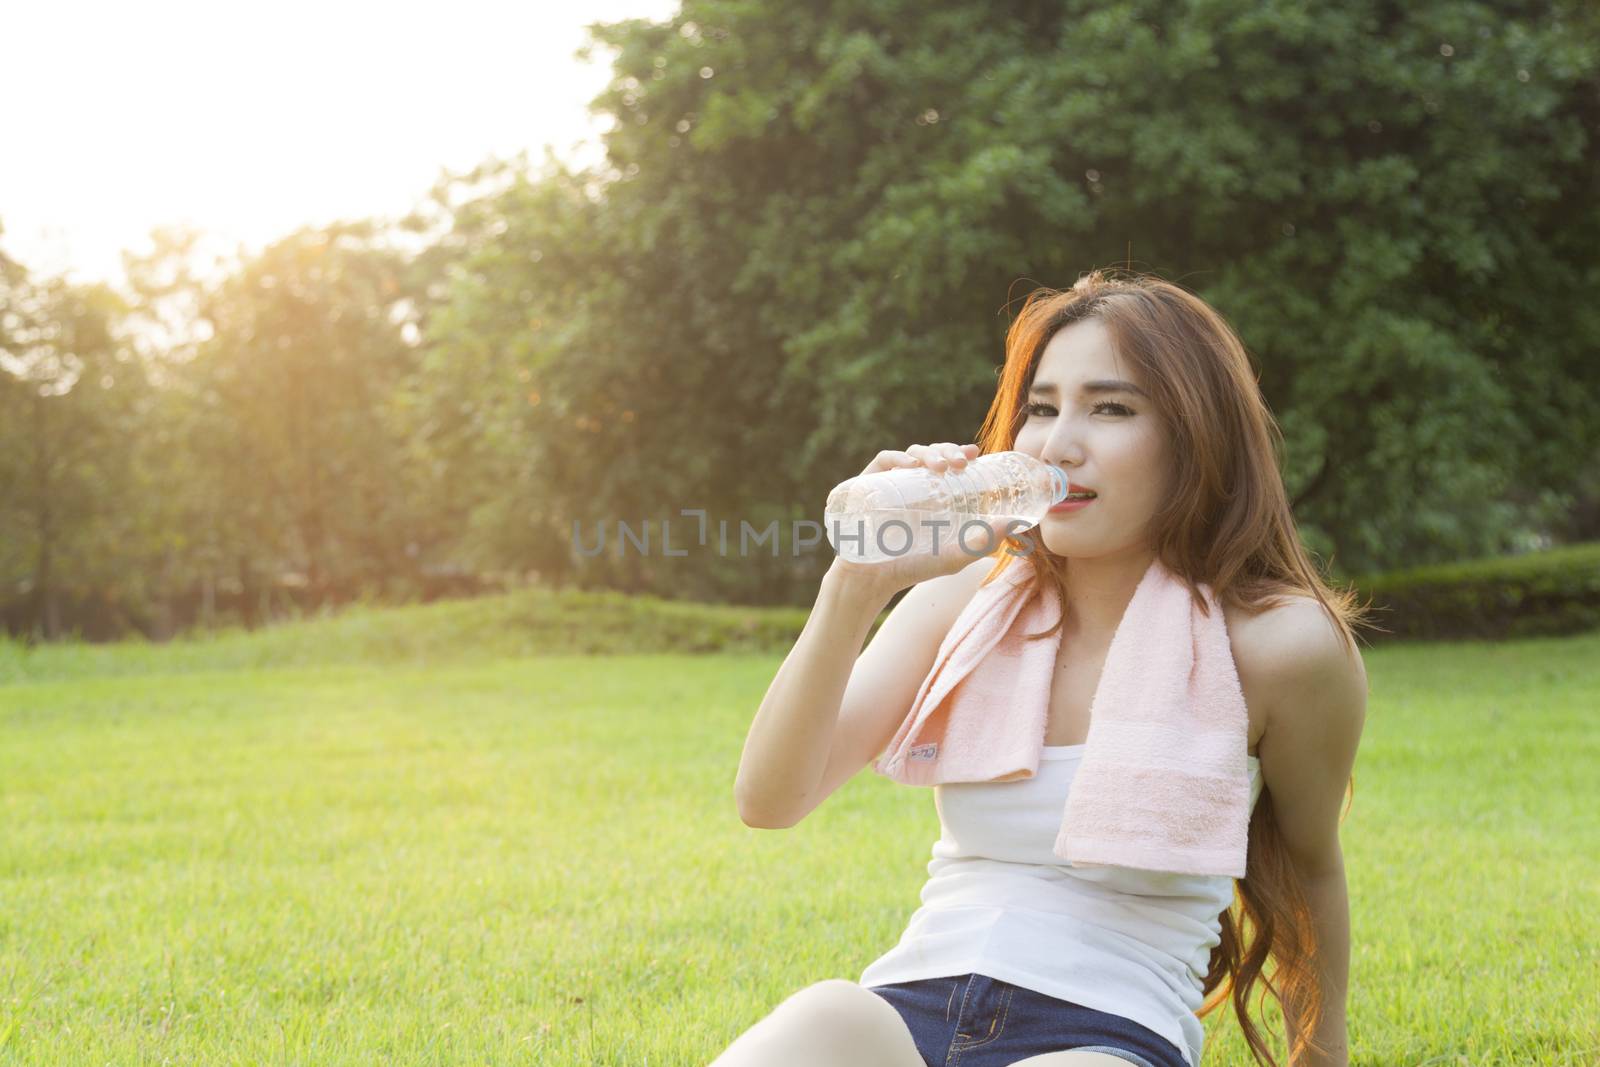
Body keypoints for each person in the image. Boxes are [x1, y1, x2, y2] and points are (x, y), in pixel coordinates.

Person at [717, 270, 1372, 1067]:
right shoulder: (966, 601)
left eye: (1111, 408)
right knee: (825, 1015)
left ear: (1197, 437)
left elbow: (1309, 868)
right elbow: (769, 799)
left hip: (1102, 1034)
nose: (1058, 443)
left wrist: (1320, 1058)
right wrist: (857, 581)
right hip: (910, 1010)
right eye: (1041, 407)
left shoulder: (1280, 646)